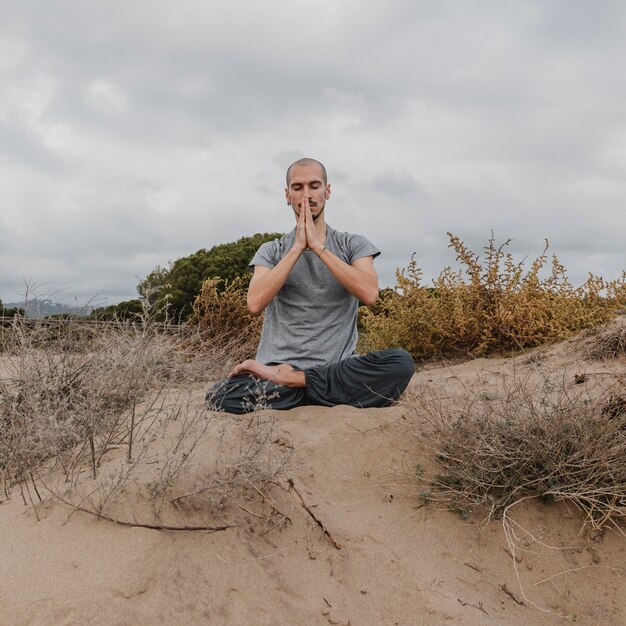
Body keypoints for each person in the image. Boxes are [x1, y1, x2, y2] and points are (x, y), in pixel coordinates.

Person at [205, 158, 414, 414]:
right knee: (219, 395)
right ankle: (316, 392)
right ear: (287, 195)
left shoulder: (353, 245)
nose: (307, 195)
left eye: (314, 186)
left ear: (327, 191)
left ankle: (298, 384)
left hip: (334, 369)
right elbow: (255, 303)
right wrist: (297, 248)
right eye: (298, 187)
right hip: (276, 369)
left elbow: (370, 293)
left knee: (400, 363)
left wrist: (317, 247)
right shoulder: (272, 250)